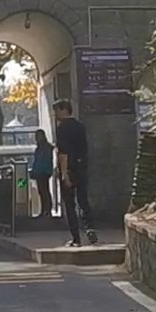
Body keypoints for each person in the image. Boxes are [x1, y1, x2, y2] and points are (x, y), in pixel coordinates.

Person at [52, 99, 99, 246]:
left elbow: (63, 153)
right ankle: (90, 229)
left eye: (56, 111)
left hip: (69, 169)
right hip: (81, 168)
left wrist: (64, 173)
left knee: (70, 205)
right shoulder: (80, 127)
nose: (55, 115)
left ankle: (76, 238)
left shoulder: (62, 129)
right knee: (83, 201)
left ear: (64, 109)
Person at [29, 128, 55, 218]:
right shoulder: (44, 148)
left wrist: (35, 171)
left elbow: (40, 161)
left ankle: (46, 209)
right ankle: (45, 209)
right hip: (43, 172)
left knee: (44, 191)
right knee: (43, 191)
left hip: (42, 172)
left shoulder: (43, 148)